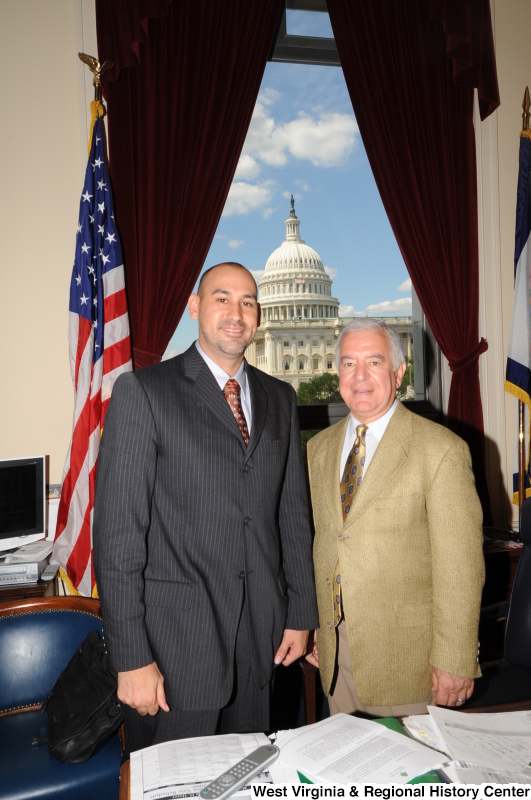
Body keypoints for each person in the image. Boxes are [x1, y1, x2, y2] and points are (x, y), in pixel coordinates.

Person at [93, 262, 319, 751]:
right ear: (195, 307)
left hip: (262, 637)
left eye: (247, 301)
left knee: (248, 770)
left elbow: (293, 517)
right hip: (175, 649)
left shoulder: (281, 397)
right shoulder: (145, 392)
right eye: (222, 298)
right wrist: (131, 657)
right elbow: (117, 539)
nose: (235, 313)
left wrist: (301, 612)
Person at [305, 318, 485, 717]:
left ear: (399, 372)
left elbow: (461, 567)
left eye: (374, 361)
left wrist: (455, 659)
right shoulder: (318, 449)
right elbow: (325, 543)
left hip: (412, 661)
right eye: (349, 363)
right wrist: (317, 626)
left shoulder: (440, 449)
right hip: (338, 655)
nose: (360, 376)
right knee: (349, 774)